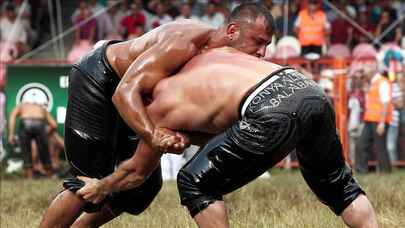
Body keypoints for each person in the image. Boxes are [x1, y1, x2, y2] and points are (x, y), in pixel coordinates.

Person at [77, 47, 378, 228]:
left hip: (269, 106)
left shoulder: (159, 105)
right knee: (338, 184)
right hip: (306, 87)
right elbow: (224, 129)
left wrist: (101, 187)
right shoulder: (205, 56)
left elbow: (136, 173)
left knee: (194, 182)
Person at [39, 3, 275, 228]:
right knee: (88, 179)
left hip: (137, 99)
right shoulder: (184, 42)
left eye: (267, 45)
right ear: (232, 31)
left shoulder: (219, 64)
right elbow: (124, 93)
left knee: (142, 188)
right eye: (258, 42)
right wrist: (153, 135)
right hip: (100, 79)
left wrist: (181, 138)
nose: (262, 53)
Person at [8, 102, 57, 178]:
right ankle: (49, 176)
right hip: (39, 124)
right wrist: (45, 134)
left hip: (25, 123)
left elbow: (12, 117)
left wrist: (11, 134)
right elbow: (54, 125)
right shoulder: (41, 108)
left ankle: (29, 177)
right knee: (44, 152)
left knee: (26, 151)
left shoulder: (21, 106)